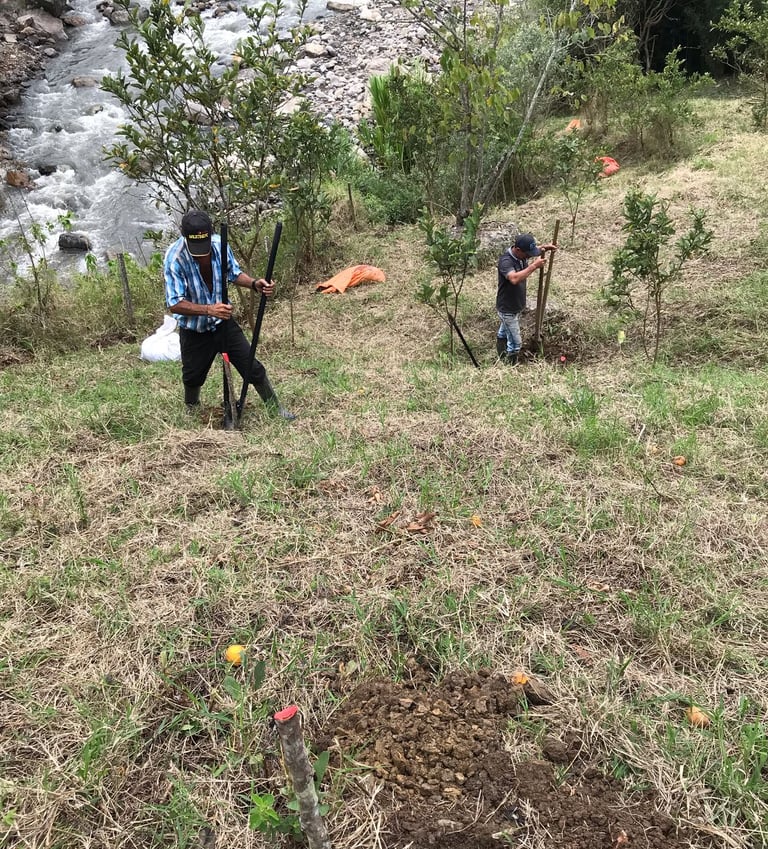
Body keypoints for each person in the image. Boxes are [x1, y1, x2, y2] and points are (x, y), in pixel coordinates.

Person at [164, 209, 295, 421]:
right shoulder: (175, 258)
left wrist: (254, 284)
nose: (201, 254)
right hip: (195, 329)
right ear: (184, 238)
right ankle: (192, 410)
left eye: (204, 246)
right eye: (196, 248)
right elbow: (175, 303)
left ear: (210, 235)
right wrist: (208, 309)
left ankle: (275, 409)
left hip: (223, 322)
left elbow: (233, 273)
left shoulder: (219, 245)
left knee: (252, 366)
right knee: (192, 376)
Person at [496, 232, 558, 364]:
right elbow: (514, 278)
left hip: (515, 305)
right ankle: (510, 365)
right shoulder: (506, 261)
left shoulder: (521, 255)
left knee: (504, 332)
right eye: (527, 253)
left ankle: (501, 356)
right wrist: (534, 266)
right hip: (507, 308)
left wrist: (545, 248)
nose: (529, 256)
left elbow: (533, 251)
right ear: (518, 250)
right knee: (516, 343)